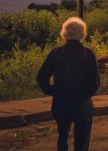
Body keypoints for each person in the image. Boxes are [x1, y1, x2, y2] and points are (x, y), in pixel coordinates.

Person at [37, 17, 100, 151]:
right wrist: (84, 95)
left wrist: (53, 91)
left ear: (64, 32)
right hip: (82, 103)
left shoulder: (56, 52)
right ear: (82, 33)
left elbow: (41, 77)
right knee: (82, 140)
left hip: (61, 102)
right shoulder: (88, 53)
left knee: (62, 136)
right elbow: (95, 82)